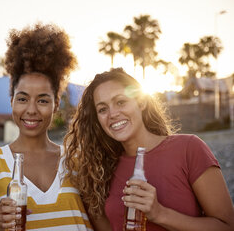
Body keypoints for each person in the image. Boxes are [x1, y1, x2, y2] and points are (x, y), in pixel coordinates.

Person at [64, 68, 234, 231]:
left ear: (142, 102)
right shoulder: (100, 171)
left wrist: (160, 214)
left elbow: (227, 226)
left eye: (121, 102)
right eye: (102, 109)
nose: (113, 113)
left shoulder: (189, 149)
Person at [0, 23, 93, 230]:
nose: (31, 110)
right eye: (22, 99)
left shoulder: (77, 159)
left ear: (56, 104)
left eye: (43, 100)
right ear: (11, 101)